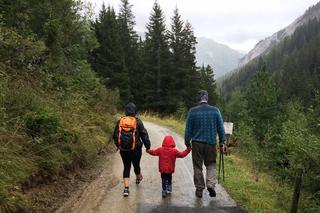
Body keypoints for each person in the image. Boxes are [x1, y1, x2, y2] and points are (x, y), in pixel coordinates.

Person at [184, 90, 226, 198]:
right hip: (211, 143)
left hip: (197, 144)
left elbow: (188, 129)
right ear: (206, 98)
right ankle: (210, 185)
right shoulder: (215, 111)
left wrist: (187, 142)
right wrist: (222, 143)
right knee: (211, 164)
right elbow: (221, 129)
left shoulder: (192, 111)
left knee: (197, 166)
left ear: (198, 99)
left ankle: (199, 189)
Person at [113, 103, 151, 197]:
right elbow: (144, 135)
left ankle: (126, 189)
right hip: (136, 149)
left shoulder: (120, 121)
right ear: (135, 111)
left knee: (126, 166)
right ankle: (138, 178)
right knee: (136, 165)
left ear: (126, 111)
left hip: (124, 150)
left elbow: (115, 135)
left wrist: (118, 145)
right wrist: (148, 146)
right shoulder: (138, 122)